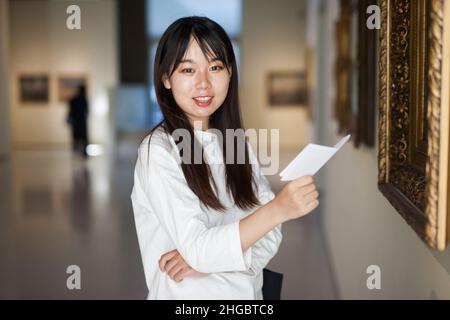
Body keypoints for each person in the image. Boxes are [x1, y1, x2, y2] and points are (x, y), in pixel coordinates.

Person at [130, 16, 319, 300]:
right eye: (187, 70)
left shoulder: (235, 142)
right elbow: (203, 249)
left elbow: (271, 235)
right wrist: (277, 210)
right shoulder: (158, 151)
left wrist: (211, 258)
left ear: (230, 72)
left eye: (215, 67)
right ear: (166, 78)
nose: (203, 83)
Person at [67, 85, 89, 158]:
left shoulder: (75, 100)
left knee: (77, 137)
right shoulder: (82, 100)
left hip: (77, 121)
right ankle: (81, 152)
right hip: (80, 121)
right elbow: (87, 111)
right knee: (81, 137)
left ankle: (78, 151)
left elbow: (71, 111)